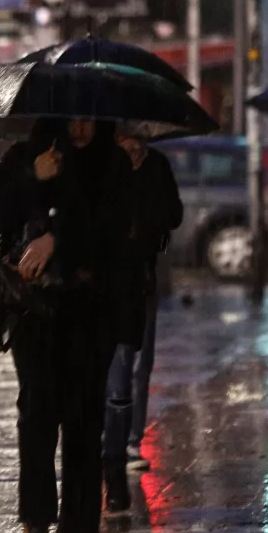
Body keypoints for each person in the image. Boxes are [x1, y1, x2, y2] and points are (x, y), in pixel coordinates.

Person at [0, 118, 133, 533]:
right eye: (73, 118)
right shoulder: (25, 157)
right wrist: (33, 178)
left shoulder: (111, 163)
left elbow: (114, 232)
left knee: (84, 417)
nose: (81, 128)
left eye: (90, 117)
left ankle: (81, 524)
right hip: (33, 310)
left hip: (89, 308)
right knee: (37, 414)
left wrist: (57, 241)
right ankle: (35, 523)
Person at [103, 133, 183, 511]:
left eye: (136, 138)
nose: (131, 144)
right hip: (107, 280)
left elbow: (173, 216)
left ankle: (130, 439)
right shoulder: (103, 166)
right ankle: (112, 443)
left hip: (143, 277)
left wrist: (149, 224)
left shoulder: (156, 167)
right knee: (114, 366)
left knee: (139, 363)